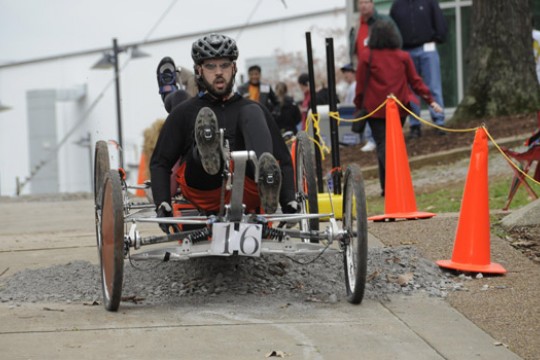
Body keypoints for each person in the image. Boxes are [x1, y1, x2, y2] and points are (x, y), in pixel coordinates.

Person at [150, 33, 296, 233]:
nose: (219, 72)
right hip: (205, 188)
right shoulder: (185, 112)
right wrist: (163, 204)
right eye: (211, 66)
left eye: (225, 65)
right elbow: (160, 161)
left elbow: (284, 159)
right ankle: (209, 150)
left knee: (252, 111)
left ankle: (266, 178)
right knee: (204, 125)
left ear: (234, 68)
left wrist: (289, 200)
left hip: (250, 188)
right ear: (198, 70)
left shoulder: (255, 110)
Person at [354, 20, 442, 197]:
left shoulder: (366, 56)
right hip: (399, 107)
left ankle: (389, 186)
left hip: (374, 109)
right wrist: (430, 100)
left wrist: (359, 105)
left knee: (382, 144)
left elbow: (361, 85)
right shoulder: (402, 56)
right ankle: (388, 186)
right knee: (390, 144)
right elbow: (415, 81)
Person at [390, 0, 447, 138]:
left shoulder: (429, 2)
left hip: (427, 47)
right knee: (410, 90)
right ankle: (415, 125)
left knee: (433, 85)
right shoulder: (397, 5)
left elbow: (439, 20)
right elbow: (393, 27)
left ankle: (439, 122)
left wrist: (438, 37)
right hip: (406, 50)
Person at [340, 63, 375, 152]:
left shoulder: (355, 85)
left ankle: (369, 141)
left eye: (347, 72)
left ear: (353, 73)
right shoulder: (349, 87)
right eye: (344, 73)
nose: (345, 75)